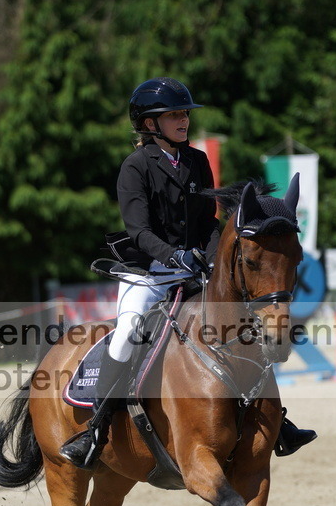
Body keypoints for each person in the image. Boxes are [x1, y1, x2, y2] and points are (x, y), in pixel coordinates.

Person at [59, 76, 315, 469]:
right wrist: (174, 255)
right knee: (127, 332)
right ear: (149, 123)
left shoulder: (196, 160)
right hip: (148, 272)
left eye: (184, 114)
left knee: (244, 327)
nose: (183, 120)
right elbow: (138, 231)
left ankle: (276, 423)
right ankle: (96, 429)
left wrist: (215, 258)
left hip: (194, 268)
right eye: (174, 114)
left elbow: (209, 222)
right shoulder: (135, 167)